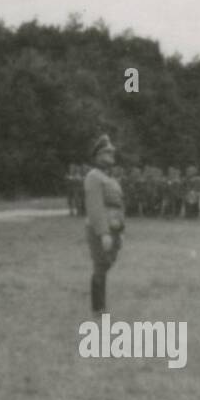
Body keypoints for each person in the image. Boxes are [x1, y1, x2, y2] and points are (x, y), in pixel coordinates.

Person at [83, 135, 124, 315]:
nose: (112, 155)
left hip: (114, 227)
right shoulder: (93, 177)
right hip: (100, 229)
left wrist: (120, 230)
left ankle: (100, 306)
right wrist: (103, 232)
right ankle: (98, 308)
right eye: (108, 152)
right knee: (100, 265)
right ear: (99, 155)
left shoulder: (108, 177)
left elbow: (118, 205)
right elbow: (95, 207)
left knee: (106, 263)